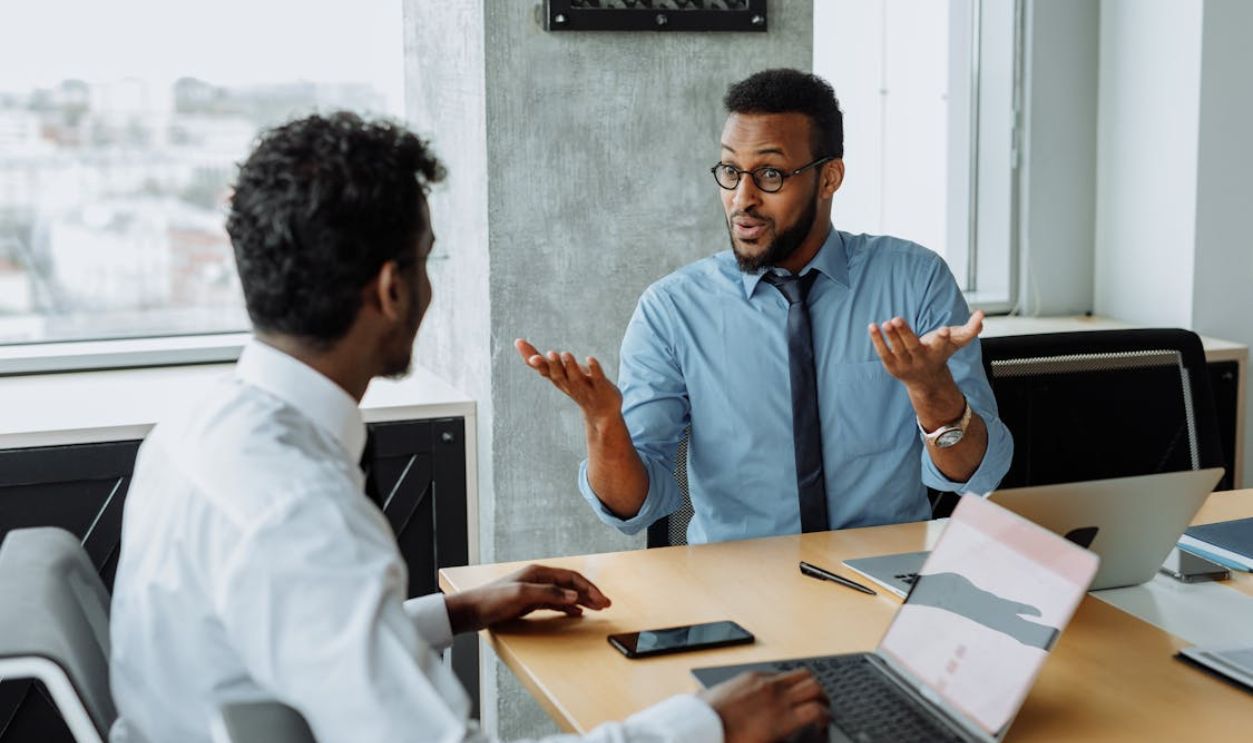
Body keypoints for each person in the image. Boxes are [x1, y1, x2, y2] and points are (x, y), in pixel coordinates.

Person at [107, 113, 828, 742]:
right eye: (426, 259)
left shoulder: (197, 429)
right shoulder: (301, 510)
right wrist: (708, 725)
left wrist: (453, 610)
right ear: (392, 289)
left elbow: (289, 634)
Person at [517, 68, 1012, 544]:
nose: (741, 198)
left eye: (770, 174)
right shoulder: (672, 311)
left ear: (829, 178)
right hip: (737, 589)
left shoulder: (913, 280)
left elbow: (975, 473)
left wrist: (932, 393)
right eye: (731, 171)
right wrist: (604, 425)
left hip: (882, 584)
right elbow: (631, 508)